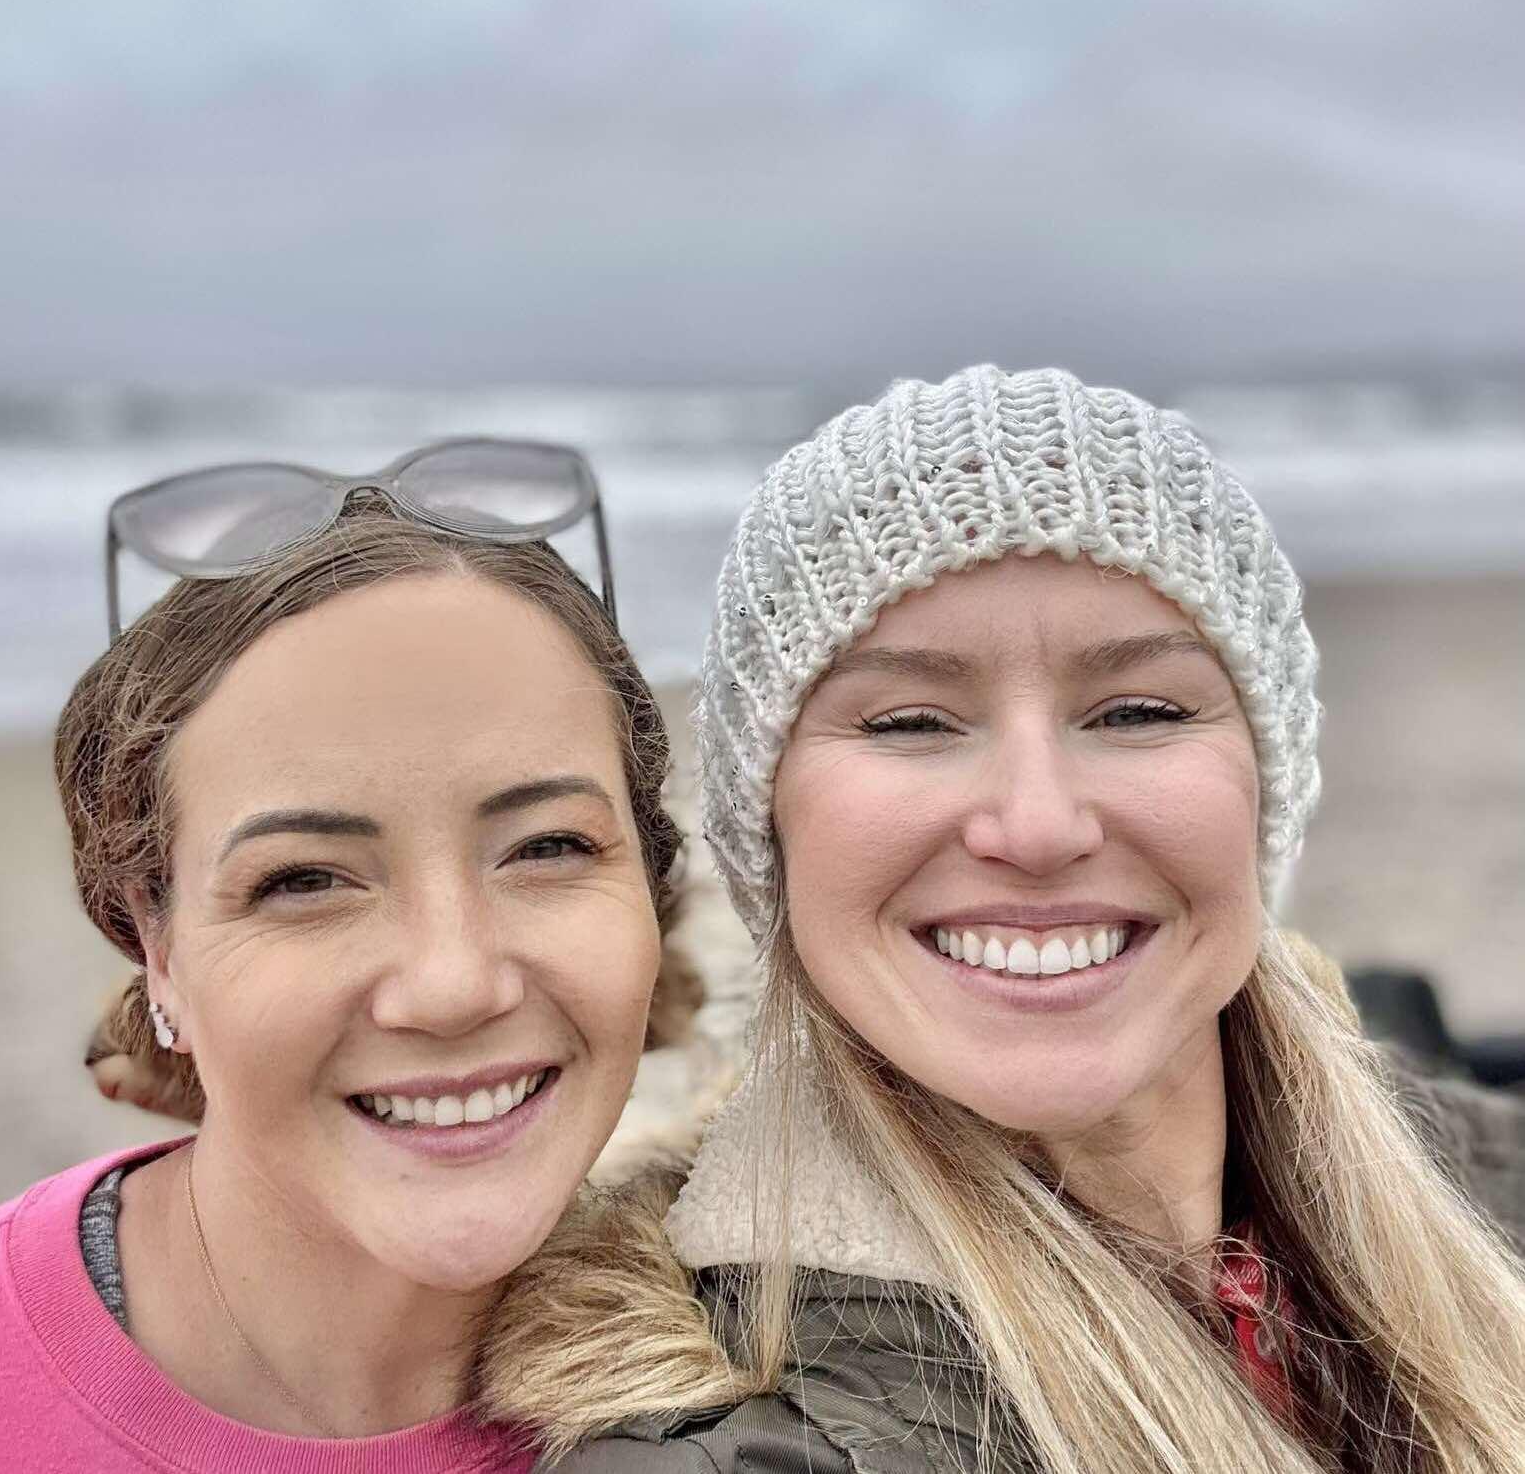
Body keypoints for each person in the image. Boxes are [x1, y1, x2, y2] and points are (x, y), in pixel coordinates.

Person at [481, 367, 1525, 1472]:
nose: (1036, 826)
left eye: (1136, 711)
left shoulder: (1471, 1179)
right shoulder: (736, 1449)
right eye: (911, 722)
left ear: (1267, 787)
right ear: (769, 827)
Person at [0, 490, 683, 1471]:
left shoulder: (796, 1391)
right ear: (158, 947)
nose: (453, 985)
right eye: (304, 879)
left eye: (546, 847)